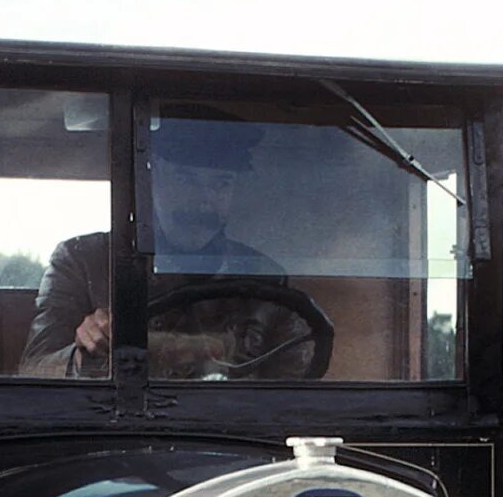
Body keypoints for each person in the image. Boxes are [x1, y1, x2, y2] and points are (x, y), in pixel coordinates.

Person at [20, 117, 303, 379]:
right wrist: (88, 347)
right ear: (152, 179)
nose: (203, 201)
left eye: (221, 183)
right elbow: (35, 371)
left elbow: (296, 391)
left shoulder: (266, 279)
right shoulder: (82, 261)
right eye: (186, 179)